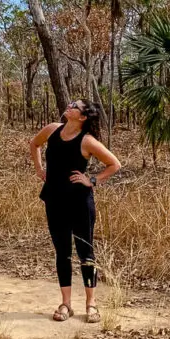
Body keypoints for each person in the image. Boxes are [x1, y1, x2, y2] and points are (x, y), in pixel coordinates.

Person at [29, 99, 121, 323]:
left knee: (85, 252)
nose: (69, 106)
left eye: (75, 106)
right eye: (70, 104)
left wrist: (92, 180)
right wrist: (40, 169)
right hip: (54, 199)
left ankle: (91, 304)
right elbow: (34, 144)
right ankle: (65, 304)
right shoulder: (52, 129)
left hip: (80, 202)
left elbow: (114, 164)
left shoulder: (87, 141)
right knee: (62, 252)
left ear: (82, 117)